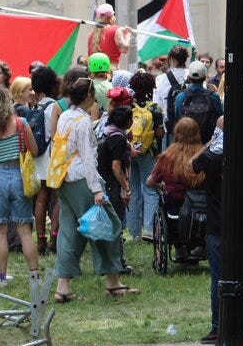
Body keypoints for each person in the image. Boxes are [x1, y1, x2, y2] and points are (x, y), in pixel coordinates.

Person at [52, 78, 138, 302]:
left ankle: (63, 288)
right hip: (83, 180)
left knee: (70, 232)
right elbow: (89, 158)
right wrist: (97, 190)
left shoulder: (65, 116)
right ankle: (113, 282)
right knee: (106, 225)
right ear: (89, 96)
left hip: (64, 180)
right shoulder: (82, 122)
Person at [192, 118, 243, 344]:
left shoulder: (211, 156)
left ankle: (218, 326)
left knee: (218, 275)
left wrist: (211, 141)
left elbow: (192, 164)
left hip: (217, 225)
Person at [0, 85, 39, 288]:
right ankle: (35, 277)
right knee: (24, 230)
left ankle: (1, 278)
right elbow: (34, 151)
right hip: (19, 176)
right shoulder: (21, 123)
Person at [126, 71, 164, 241]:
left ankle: (134, 233)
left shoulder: (127, 105)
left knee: (133, 191)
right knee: (150, 190)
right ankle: (149, 229)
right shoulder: (154, 108)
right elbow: (161, 133)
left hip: (129, 151)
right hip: (148, 153)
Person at [30, 65, 62, 253]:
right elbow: (56, 134)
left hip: (38, 156)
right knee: (57, 197)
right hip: (52, 154)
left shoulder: (34, 107)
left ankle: (40, 239)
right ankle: (54, 238)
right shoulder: (54, 107)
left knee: (41, 199)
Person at [146, 116, 205, 208]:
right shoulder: (204, 153)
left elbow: (150, 182)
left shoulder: (167, 155)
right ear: (197, 133)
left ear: (176, 133)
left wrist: (162, 186)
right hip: (198, 204)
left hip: (173, 203)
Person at [86, 3, 131, 68]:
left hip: (93, 71)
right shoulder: (115, 30)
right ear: (111, 17)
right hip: (110, 71)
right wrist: (128, 34)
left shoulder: (91, 33)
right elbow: (124, 49)